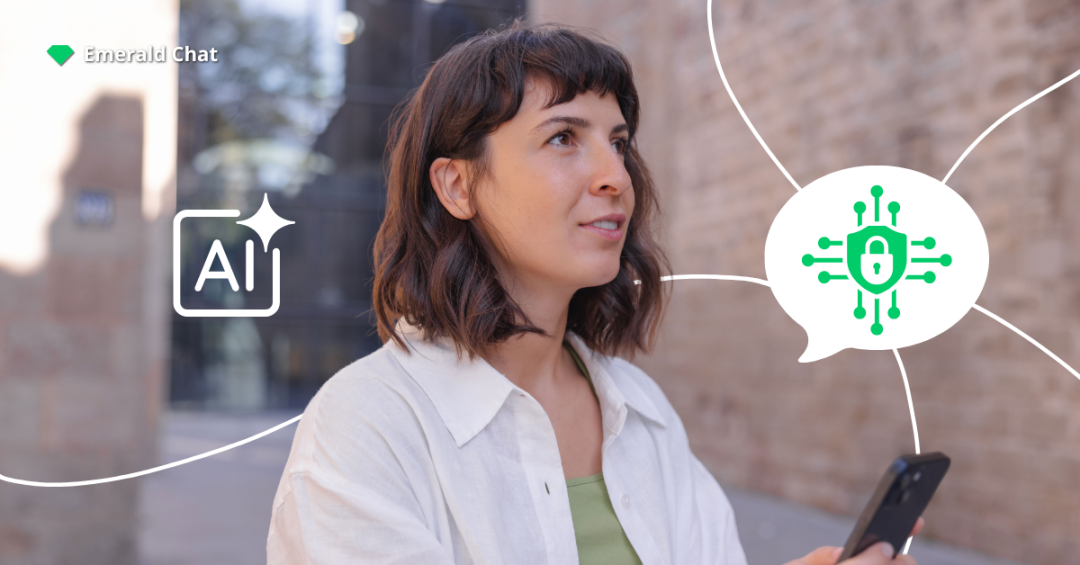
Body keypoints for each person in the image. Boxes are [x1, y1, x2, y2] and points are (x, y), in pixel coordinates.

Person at [267, 18, 923, 565]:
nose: (615, 175)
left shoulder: (641, 411)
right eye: (563, 138)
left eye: (618, 142)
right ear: (457, 186)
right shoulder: (366, 426)